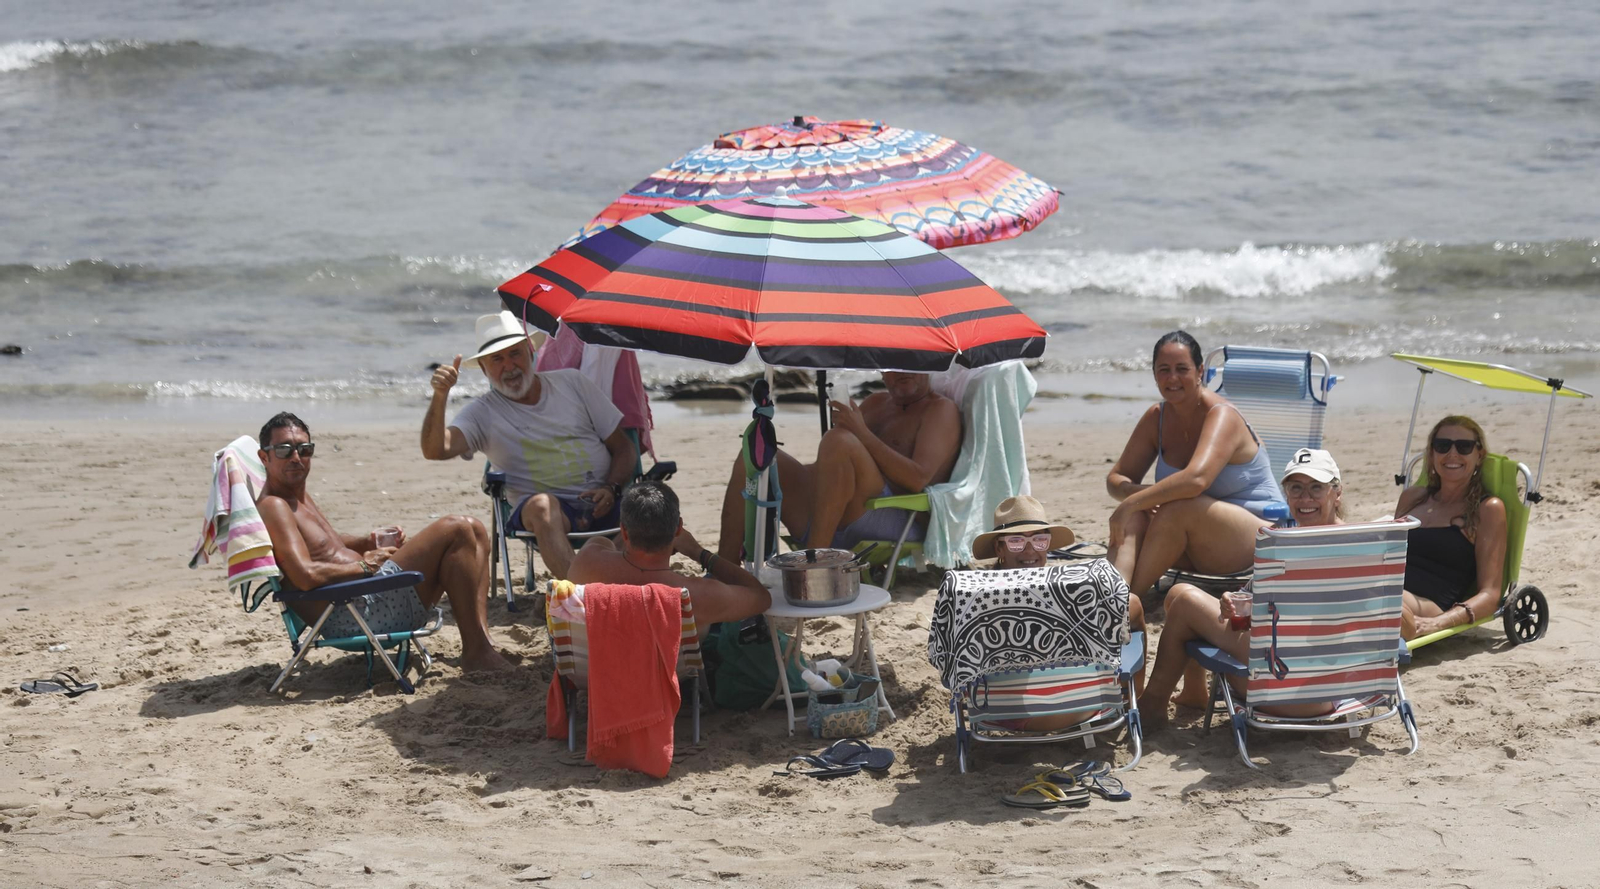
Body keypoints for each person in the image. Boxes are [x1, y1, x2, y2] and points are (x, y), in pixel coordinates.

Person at [255, 412, 511, 673]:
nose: (296, 458)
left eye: (304, 449)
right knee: (456, 529)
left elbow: (324, 543)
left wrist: (366, 541)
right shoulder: (274, 505)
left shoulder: (296, 495)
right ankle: (476, 652)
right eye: (285, 450)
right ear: (264, 457)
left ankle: (482, 642)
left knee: (476, 529)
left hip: (365, 596)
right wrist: (365, 567)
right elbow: (304, 575)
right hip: (354, 612)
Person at [1137, 448, 1346, 730]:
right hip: (1337, 689)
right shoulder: (1360, 546)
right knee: (1176, 595)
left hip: (1281, 688)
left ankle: (1151, 707)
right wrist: (1234, 601)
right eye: (1296, 488)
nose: (1305, 498)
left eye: (1315, 488)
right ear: (1286, 493)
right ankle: (1193, 692)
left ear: (1337, 492)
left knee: (1185, 600)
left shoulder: (1285, 545)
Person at [421, 311, 638, 581]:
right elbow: (435, 449)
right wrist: (440, 395)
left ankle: (598, 582)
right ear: (486, 370)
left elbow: (624, 447)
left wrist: (612, 487)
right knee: (542, 505)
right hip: (549, 518)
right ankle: (582, 592)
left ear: (531, 352)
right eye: (497, 360)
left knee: (657, 504)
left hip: (605, 501)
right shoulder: (482, 413)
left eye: (515, 354)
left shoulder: (572, 383)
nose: (509, 366)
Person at [1105, 331, 1288, 603]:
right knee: (1137, 514)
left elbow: (1195, 481)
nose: (1172, 378)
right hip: (1191, 543)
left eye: (1182, 369)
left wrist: (1132, 502)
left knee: (1176, 506)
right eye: (1163, 370)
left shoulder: (1222, 415)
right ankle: (1110, 598)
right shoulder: (1157, 418)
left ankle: (1126, 605)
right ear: (1154, 375)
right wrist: (1140, 494)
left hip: (1255, 537)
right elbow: (1115, 478)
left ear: (1201, 371)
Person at [715, 371, 962, 562]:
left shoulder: (940, 409)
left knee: (840, 440)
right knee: (757, 456)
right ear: (881, 371)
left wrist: (860, 433)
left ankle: (813, 563)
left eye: (911, 362)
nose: (901, 371)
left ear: (927, 366)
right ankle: (724, 570)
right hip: (833, 516)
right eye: (892, 364)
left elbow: (918, 479)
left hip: (895, 516)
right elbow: (835, 466)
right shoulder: (876, 403)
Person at [970, 496, 1147, 729]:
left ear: (1049, 543)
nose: (1030, 550)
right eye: (1016, 542)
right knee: (1132, 604)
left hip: (999, 714)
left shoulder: (974, 598)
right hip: (1084, 705)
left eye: (1040, 541)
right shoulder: (1072, 596)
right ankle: (1137, 699)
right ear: (999, 547)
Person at [567, 480, 772, 633]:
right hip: (669, 677)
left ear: (624, 532)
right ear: (678, 530)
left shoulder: (587, 562)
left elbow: (603, 544)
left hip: (593, 677)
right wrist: (700, 554)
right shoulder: (698, 595)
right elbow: (761, 596)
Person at [1394, 415, 1506, 641]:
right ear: (1432, 452)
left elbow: (1491, 594)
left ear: (1479, 454)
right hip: (1389, 586)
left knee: (1377, 596)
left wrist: (1439, 623)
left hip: (1427, 605)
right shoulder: (1413, 497)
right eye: (1443, 445)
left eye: (1464, 447)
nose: (1452, 454)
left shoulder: (1487, 509)